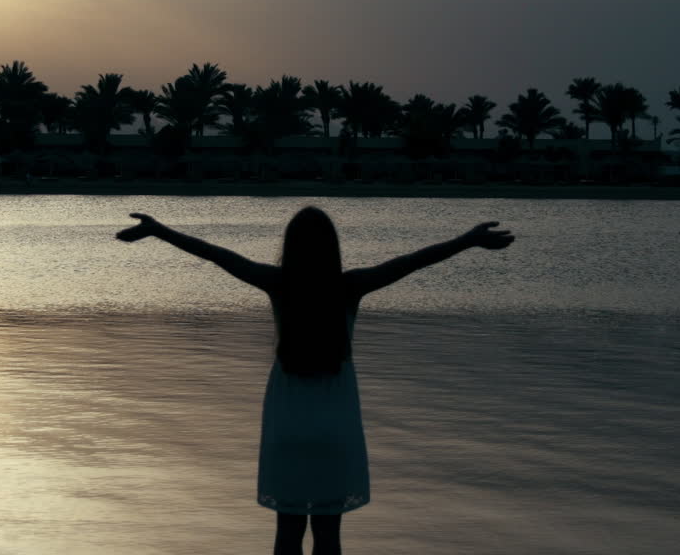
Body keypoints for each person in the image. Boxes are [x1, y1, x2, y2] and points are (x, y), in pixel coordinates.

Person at [116, 206, 514, 555]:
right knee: (329, 537)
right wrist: (467, 240)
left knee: (287, 535)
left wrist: (160, 230)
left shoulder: (277, 283)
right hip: (335, 429)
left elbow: (218, 256)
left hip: (287, 427)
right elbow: (410, 261)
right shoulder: (350, 287)